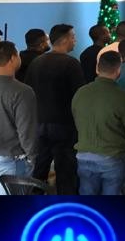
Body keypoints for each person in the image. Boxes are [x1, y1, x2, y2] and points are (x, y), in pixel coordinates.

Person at [26, 24, 83, 194]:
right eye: (73, 37)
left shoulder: (36, 62)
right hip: (64, 125)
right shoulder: (71, 64)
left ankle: (33, 202)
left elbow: (28, 91)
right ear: (64, 40)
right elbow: (79, 96)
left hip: (39, 123)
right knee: (66, 172)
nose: (75, 40)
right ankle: (66, 204)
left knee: (39, 170)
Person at [72, 51, 125, 195]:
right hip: (113, 157)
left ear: (97, 68)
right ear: (119, 70)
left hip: (83, 156)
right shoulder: (123, 97)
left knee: (88, 203)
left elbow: (77, 122)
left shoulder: (80, 93)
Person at [0, 41, 38, 194]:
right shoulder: (22, 91)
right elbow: (26, 130)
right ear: (12, 58)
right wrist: (31, 157)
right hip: (9, 157)